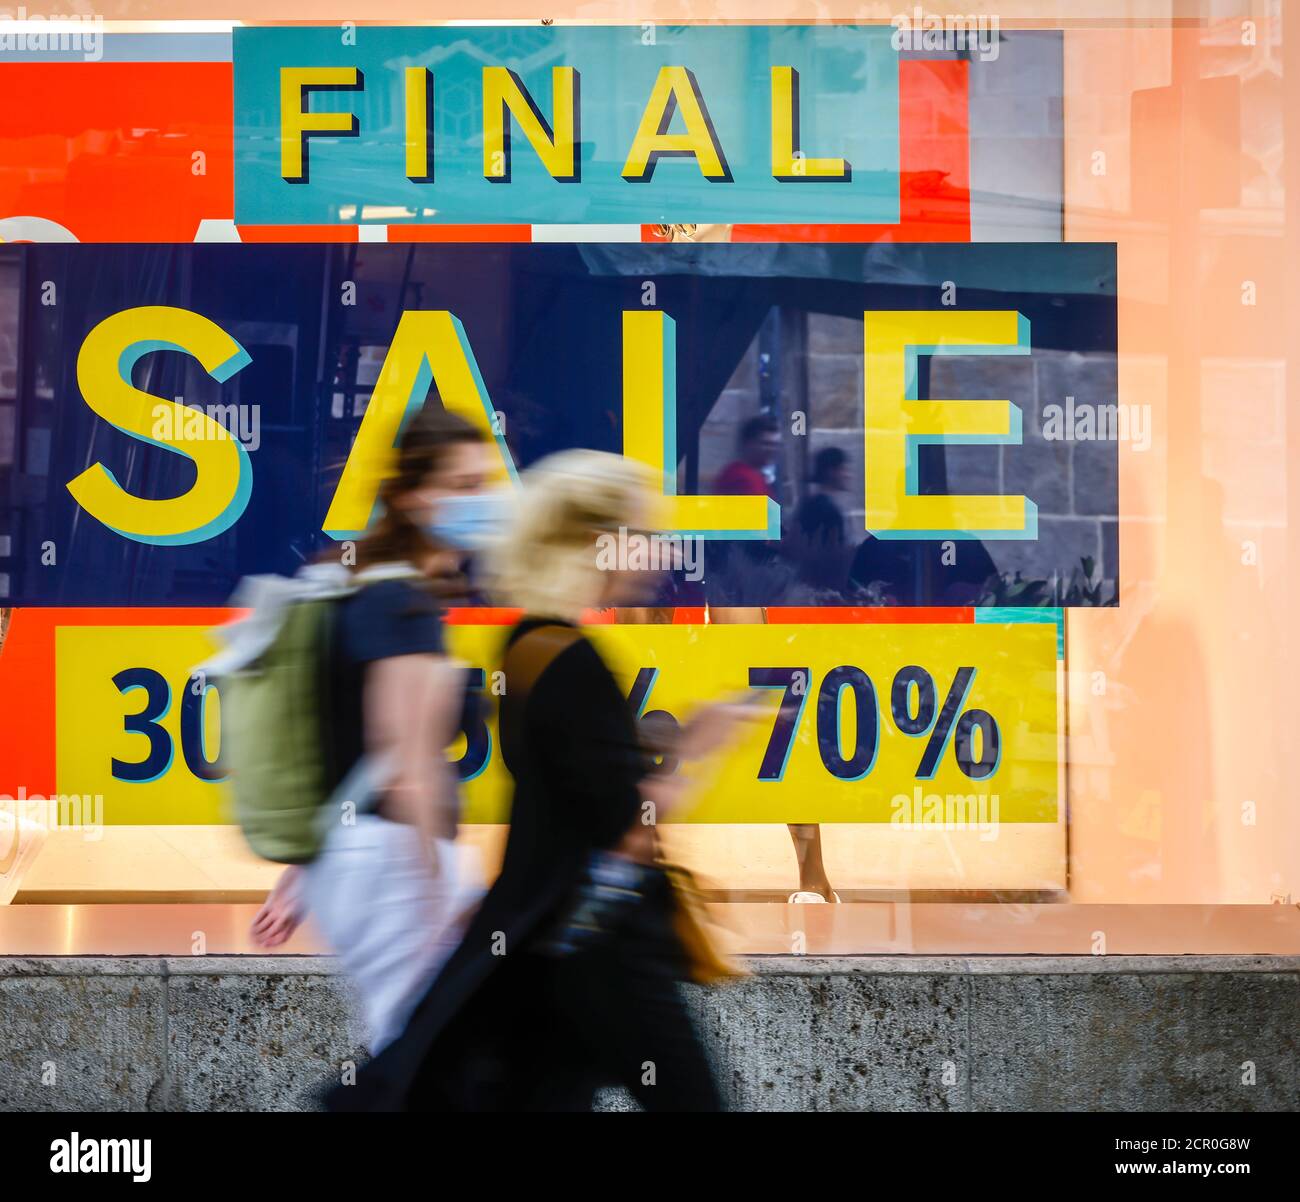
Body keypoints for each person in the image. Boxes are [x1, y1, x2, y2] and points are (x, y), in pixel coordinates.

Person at [328, 450, 751, 1111]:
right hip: (605, 949)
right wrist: (698, 748)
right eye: (644, 535)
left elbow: (567, 790)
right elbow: (627, 825)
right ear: (596, 544)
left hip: (553, 944)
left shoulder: (528, 643)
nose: (662, 553)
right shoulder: (572, 658)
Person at [249, 408, 506, 1052]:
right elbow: (404, 758)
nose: (484, 502)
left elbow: (340, 748)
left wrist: (304, 876)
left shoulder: (368, 590)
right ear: (418, 496)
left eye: (487, 484)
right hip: (397, 864)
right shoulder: (402, 607)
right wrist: (438, 892)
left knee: (425, 1051)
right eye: (465, 486)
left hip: (359, 861)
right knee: (424, 1053)